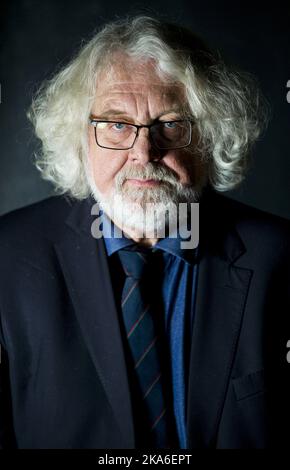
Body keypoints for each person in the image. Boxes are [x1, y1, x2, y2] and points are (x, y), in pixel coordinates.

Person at [0, 15, 289, 449]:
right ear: (81, 139)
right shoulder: (6, 258)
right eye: (116, 125)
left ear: (209, 135)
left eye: (171, 124)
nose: (144, 152)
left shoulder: (281, 259)